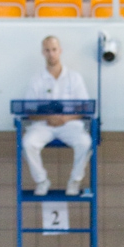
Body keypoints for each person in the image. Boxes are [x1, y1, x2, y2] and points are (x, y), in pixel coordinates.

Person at [23, 36, 93, 197]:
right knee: (27, 144)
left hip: (69, 125)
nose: (51, 54)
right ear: (43, 53)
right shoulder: (36, 80)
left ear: (60, 51)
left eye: (54, 50)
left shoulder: (74, 78)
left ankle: (75, 181)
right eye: (47, 50)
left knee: (86, 142)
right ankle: (41, 181)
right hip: (44, 125)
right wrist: (48, 117)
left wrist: (65, 119)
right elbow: (30, 110)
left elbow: (84, 107)